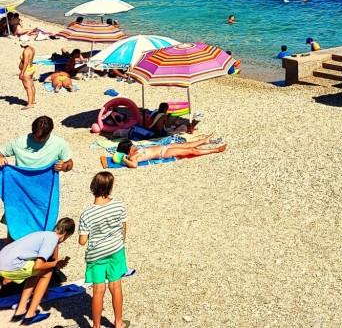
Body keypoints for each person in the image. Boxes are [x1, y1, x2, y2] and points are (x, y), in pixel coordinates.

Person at [0, 218, 76, 325]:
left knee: (37, 273)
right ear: (66, 234)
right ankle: (30, 314)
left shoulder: (44, 234)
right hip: (9, 266)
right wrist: (56, 264)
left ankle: (21, 310)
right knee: (47, 272)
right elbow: (38, 265)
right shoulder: (52, 239)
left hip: (2, 261)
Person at [79, 171, 129, 328]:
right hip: (116, 250)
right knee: (116, 286)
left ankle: (96, 326)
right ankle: (119, 322)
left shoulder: (87, 213)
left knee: (98, 290)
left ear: (93, 186)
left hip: (96, 255)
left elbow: (82, 241)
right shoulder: (119, 205)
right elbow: (123, 228)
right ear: (110, 187)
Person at [1, 115, 75, 172]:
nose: (40, 139)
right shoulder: (19, 142)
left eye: (43, 136)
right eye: (37, 136)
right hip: (21, 182)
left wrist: (64, 167)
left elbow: (69, 164)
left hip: (44, 185)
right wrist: (1, 158)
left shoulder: (59, 143)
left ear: (51, 131)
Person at [101, 135, 226, 168]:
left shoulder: (134, 151)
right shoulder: (134, 158)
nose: (134, 146)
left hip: (163, 146)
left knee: (186, 144)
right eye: (132, 146)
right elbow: (134, 166)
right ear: (129, 150)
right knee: (190, 150)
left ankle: (205, 140)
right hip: (163, 153)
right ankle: (215, 150)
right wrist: (123, 160)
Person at [18, 37, 36, 110]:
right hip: (31, 69)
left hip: (27, 70)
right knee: (31, 85)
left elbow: (25, 63)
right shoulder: (32, 49)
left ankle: (30, 104)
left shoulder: (26, 51)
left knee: (27, 87)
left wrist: (21, 73)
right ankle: (33, 100)